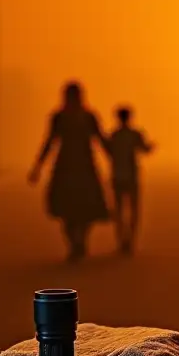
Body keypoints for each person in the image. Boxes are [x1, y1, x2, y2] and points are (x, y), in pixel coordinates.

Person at [28, 82, 111, 261]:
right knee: (68, 208)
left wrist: (38, 167)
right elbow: (50, 141)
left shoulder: (88, 117)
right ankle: (76, 241)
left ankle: (78, 241)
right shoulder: (61, 117)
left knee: (85, 206)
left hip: (81, 166)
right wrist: (37, 166)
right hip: (70, 166)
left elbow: (100, 139)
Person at [105, 106, 154, 255]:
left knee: (119, 210)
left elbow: (109, 152)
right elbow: (145, 149)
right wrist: (151, 147)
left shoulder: (114, 135)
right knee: (133, 210)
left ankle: (121, 241)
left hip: (118, 175)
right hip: (131, 176)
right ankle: (131, 241)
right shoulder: (135, 134)